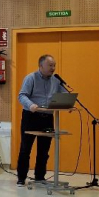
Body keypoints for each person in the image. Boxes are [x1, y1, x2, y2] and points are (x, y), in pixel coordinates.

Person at [16, 54, 68, 187]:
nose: (53, 68)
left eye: (54, 65)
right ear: (41, 66)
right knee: (25, 149)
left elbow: (65, 94)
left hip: (48, 118)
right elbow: (22, 95)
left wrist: (68, 103)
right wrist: (30, 105)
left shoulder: (56, 80)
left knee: (44, 150)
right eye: (50, 65)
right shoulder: (31, 78)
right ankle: (21, 178)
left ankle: (39, 177)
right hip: (31, 116)